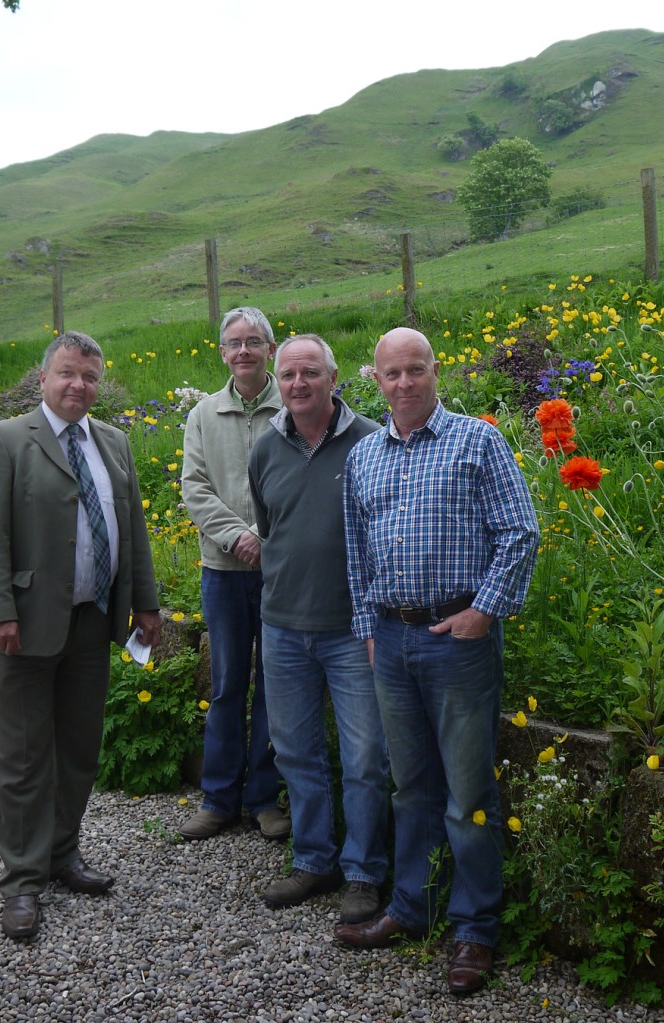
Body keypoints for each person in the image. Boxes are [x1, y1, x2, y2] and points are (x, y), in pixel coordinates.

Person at [337, 327, 539, 996]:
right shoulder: (364, 456)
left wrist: (484, 611)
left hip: (458, 637)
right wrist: (369, 628)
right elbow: (357, 553)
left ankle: (474, 928)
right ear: (375, 379)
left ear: (434, 370)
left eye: (415, 370)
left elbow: (520, 531)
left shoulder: (476, 441)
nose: (404, 383)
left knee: (468, 793)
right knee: (411, 786)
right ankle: (412, 905)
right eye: (392, 373)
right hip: (391, 640)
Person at [0, 331, 163, 940]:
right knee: (23, 758)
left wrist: (145, 603)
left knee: (78, 751)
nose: (79, 385)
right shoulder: (4, 439)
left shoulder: (114, 442)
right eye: (68, 373)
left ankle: (61, 854)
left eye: (90, 376)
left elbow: (132, 528)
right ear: (44, 378)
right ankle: (22, 881)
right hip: (23, 628)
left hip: (91, 624)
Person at [248, 334, 390, 925]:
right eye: (288, 375)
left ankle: (363, 873)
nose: (298, 384)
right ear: (277, 382)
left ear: (334, 378)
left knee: (365, 758)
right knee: (296, 752)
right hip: (283, 626)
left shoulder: (372, 442)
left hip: (353, 629)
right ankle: (313, 860)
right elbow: (270, 526)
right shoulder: (265, 448)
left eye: (310, 373)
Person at [179, 307, 288, 842]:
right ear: (222, 353)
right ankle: (218, 799)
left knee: (274, 685)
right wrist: (240, 537)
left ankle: (264, 799)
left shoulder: (293, 405)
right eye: (234, 343)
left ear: (270, 348)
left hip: (280, 572)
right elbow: (194, 487)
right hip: (223, 570)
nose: (244, 351)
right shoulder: (203, 414)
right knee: (226, 685)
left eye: (253, 341)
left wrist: (266, 540)